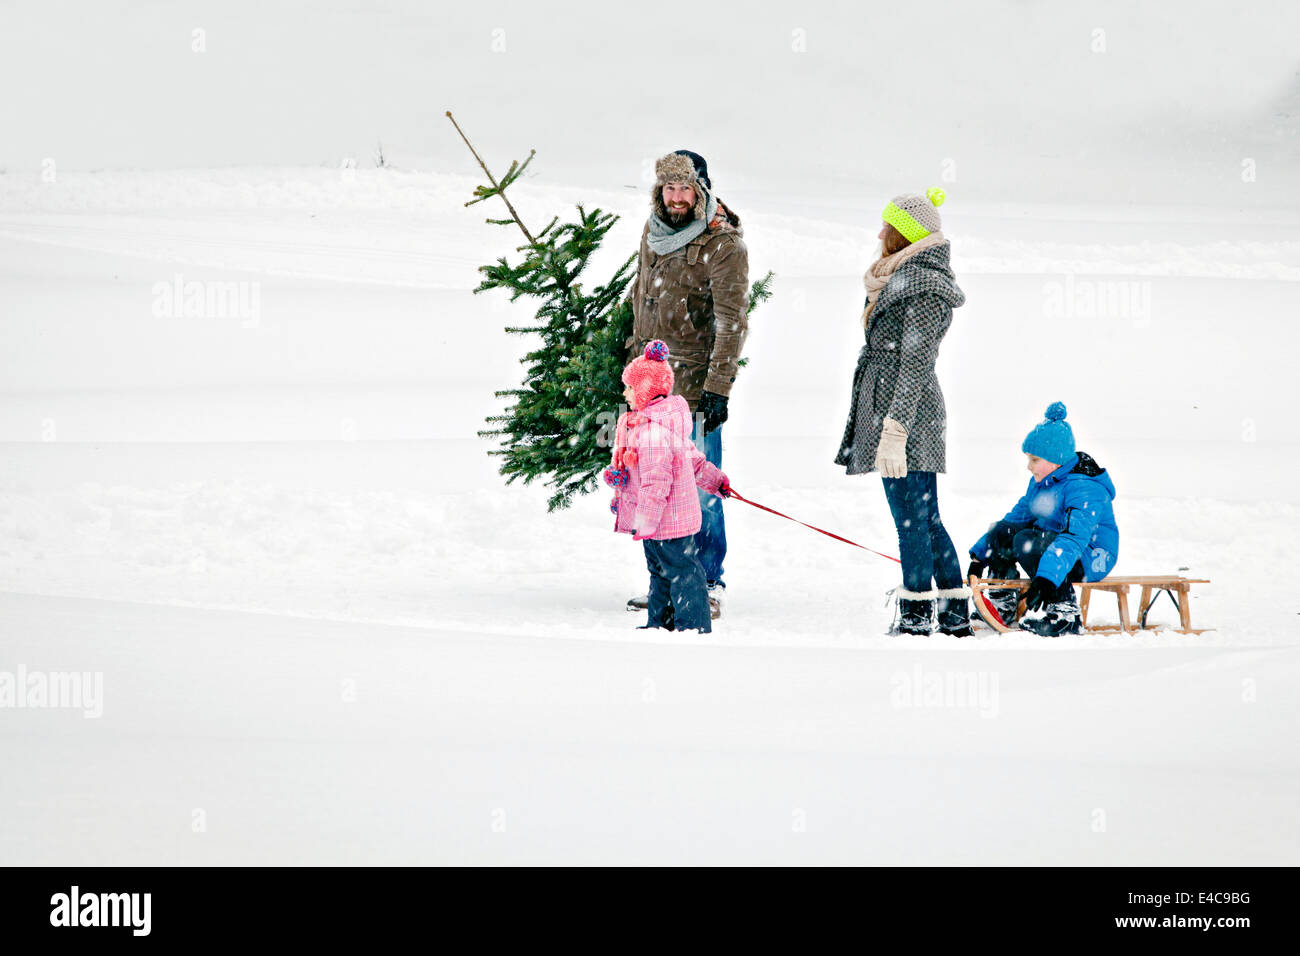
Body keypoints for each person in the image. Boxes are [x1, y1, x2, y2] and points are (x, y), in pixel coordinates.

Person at [834, 188, 970, 636]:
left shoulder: (925, 286)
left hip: (909, 416)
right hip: (894, 410)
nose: (879, 234)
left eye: (887, 227)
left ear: (905, 235)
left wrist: (895, 431)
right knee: (923, 517)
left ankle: (918, 615)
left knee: (912, 520)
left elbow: (916, 362)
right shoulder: (901, 275)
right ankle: (952, 611)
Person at [624, 149, 749, 618]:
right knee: (655, 480)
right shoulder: (653, 231)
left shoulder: (723, 244)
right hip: (650, 386)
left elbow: (732, 320)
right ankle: (670, 577)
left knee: (699, 485)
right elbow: (640, 296)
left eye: (684, 188)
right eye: (668, 188)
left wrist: (719, 387)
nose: (676, 198)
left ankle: (706, 581)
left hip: (694, 385)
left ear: (701, 190)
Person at [606, 340, 731, 633]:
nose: (625, 393)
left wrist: (645, 520)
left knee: (682, 573)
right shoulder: (660, 425)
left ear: (646, 392)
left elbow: (655, 483)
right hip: (660, 523)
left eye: (630, 388)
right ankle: (659, 624)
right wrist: (716, 481)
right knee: (660, 573)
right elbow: (695, 461)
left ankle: (693, 627)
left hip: (666, 522)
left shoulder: (653, 434)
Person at [967, 402, 1119, 637]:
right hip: (1053, 549)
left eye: (1034, 460)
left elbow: (1073, 538)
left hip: (1090, 555)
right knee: (1006, 531)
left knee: (1027, 540)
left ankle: (1065, 613)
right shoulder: (1042, 483)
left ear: (1056, 460)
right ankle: (1003, 603)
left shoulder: (1084, 488)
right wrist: (981, 555)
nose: (1029, 467)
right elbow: (1016, 518)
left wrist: (1047, 579)